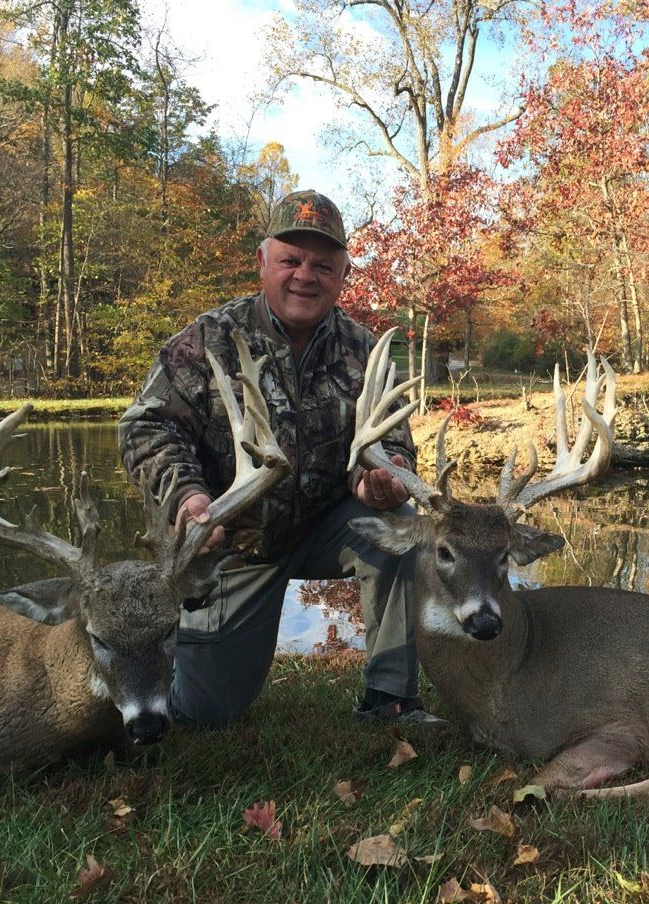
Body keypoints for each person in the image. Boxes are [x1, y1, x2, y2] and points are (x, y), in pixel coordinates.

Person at [119, 189, 443, 727]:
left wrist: (380, 477)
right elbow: (144, 426)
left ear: (343, 273)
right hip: (233, 545)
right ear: (263, 261)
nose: (304, 277)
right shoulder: (208, 339)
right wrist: (188, 495)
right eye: (291, 260)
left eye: (323, 265)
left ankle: (391, 699)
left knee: (402, 529)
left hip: (327, 527)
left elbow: (393, 441)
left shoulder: (365, 350)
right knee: (204, 714)